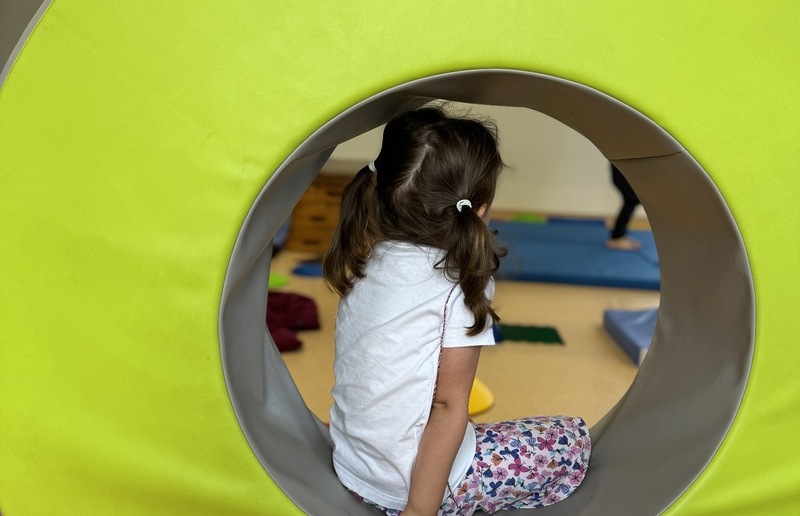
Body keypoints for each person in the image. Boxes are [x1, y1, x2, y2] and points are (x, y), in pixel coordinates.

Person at [323, 106, 590, 516]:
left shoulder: (368, 260)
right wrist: (419, 510)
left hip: (354, 466)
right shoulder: (458, 285)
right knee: (570, 439)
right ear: (478, 209)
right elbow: (448, 406)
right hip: (407, 485)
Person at [606, 163, 642, 250]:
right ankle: (616, 238)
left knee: (631, 200)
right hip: (620, 170)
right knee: (631, 200)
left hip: (622, 170)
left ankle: (619, 236)